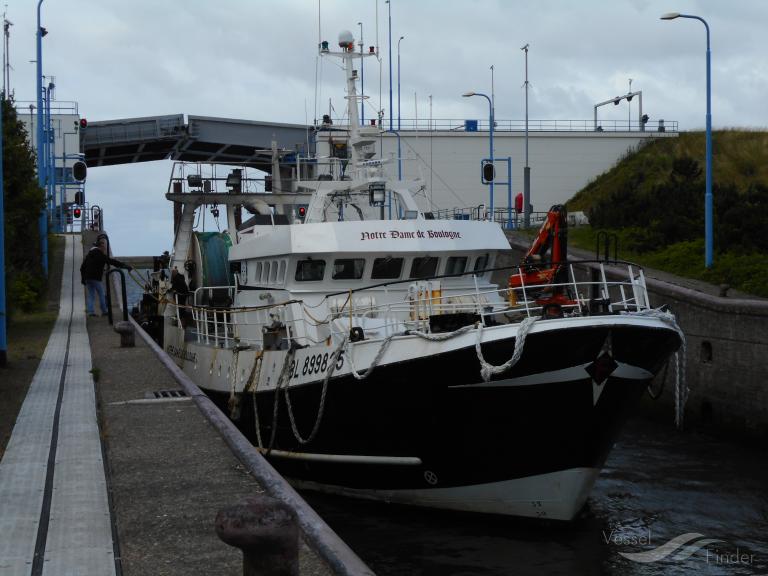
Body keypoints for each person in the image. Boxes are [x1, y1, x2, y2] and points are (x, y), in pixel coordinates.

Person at [80, 239, 132, 316]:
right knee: (101, 293)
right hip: (95, 278)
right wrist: (125, 266)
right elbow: (111, 261)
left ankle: (90, 312)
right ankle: (104, 311)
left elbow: (82, 267)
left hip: (87, 278)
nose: (104, 249)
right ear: (100, 247)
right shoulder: (100, 254)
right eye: (103, 247)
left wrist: (83, 278)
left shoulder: (89, 255)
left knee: (91, 295)